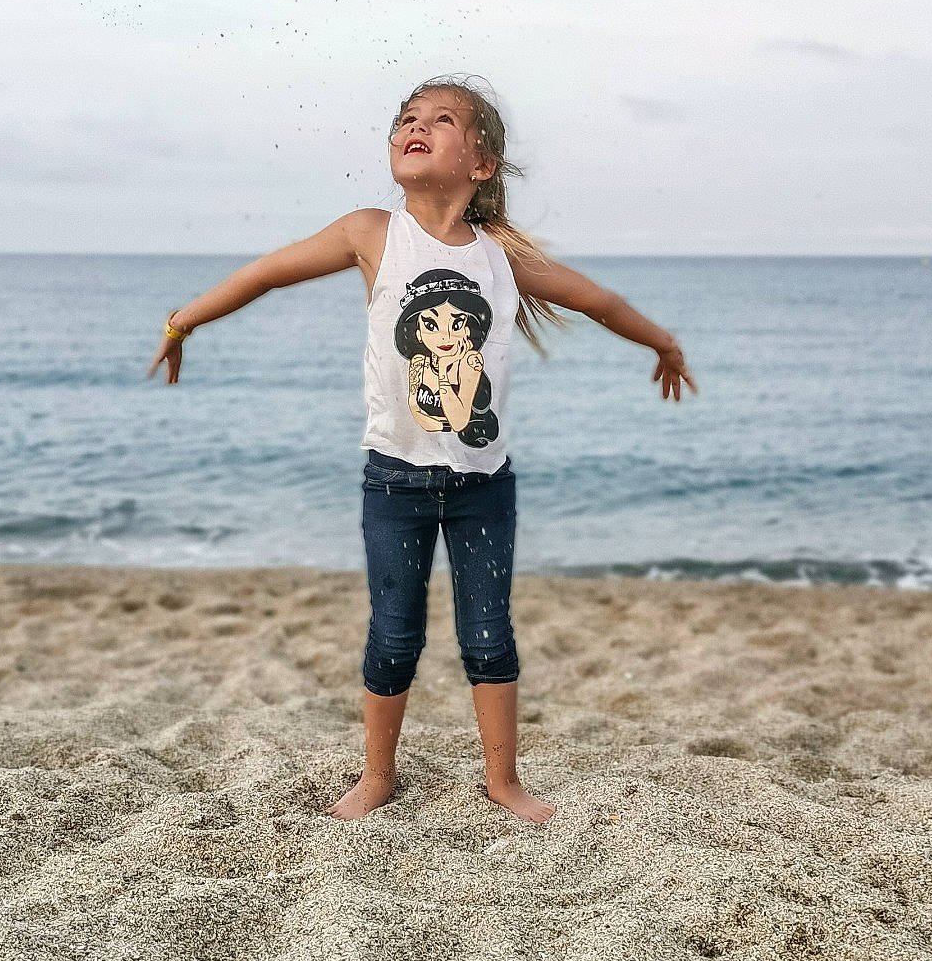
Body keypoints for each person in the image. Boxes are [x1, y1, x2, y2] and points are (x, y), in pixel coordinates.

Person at [147, 76, 696, 825]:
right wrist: (184, 321)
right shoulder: (373, 233)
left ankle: (503, 783)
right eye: (408, 118)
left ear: (481, 164)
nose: (417, 126)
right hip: (394, 482)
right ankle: (377, 776)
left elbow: (596, 300)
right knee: (395, 633)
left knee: (488, 633)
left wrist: (661, 342)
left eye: (442, 120)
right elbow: (265, 273)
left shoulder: (502, 257)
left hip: (483, 485)